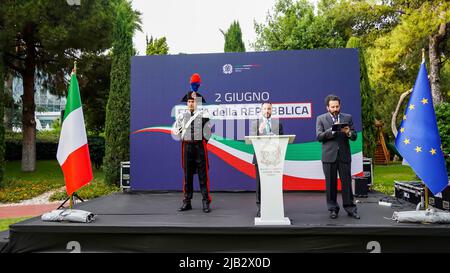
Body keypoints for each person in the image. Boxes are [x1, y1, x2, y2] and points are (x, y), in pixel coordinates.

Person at [316, 94, 359, 219]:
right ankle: (333, 209)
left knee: (346, 183)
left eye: (337, 106)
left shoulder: (348, 117)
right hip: (329, 157)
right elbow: (319, 137)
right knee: (330, 184)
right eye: (332, 107)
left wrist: (348, 132)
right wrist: (332, 131)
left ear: (340, 106)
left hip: (344, 156)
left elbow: (354, 136)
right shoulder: (321, 119)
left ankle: (350, 208)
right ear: (327, 107)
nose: (335, 109)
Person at [174, 74, 212, 213]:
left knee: (203, 176)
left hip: (199, 147)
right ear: (187, 103)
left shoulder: (204, 116)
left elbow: (208, 135)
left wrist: (200, 141)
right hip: (187, 147)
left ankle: (205, 201)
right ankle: (187, 201)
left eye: (193, 101)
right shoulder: (181, 117)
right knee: (187, 176)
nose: (191, 103)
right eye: (189, 101)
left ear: (198, 103)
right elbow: (177, 133)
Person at [250, 102, 283, 217]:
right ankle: (260, 207)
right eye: (265, 109)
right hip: (260, 158)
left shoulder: (277, 123)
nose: (267, 111)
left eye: (269, 109)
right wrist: (259, 131)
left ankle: (273, 206)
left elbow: (282, 140)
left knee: (273, 183)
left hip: (275, 158)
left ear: (272, 110)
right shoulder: (255, 123)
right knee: (260, 183)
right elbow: (251, 140)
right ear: (261, 110)